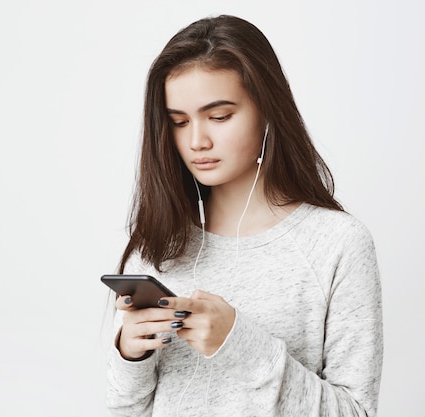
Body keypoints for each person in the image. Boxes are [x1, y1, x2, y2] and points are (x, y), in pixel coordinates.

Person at [105, 14, 383, 417]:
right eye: (179, 122)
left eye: (219, 116)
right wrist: (131, 356)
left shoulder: (337, 245)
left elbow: (355, 413)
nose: (197, 140)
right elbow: (124, 410)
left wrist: (239, 344)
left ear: (268, 110)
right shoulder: (158, 249)